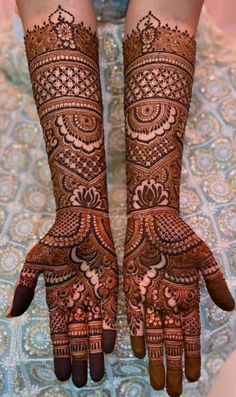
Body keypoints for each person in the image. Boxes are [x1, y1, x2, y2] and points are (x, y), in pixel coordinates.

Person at [6, 1, 235, 397]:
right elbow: (51, 10)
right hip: (54, 84)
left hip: (171, 73)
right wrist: (80, 207)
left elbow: (167, 13)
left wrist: (155, 205)